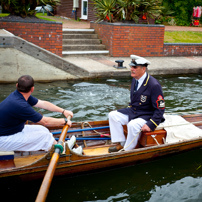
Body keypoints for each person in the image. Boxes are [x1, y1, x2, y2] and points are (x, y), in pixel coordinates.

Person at [0, 75, 73, 152]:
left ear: (17, 85)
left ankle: (57, 147)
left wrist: (63, 111)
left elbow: (43, 104)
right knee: (44, 136)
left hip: (11, 131)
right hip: (3, 139)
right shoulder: (20, 105)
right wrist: (64, 121)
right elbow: (45, 122)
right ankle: (62, 151)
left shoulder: (18, 95)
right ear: (32, 89)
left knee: (43, 130)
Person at [108, 55, 165, 153]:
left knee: (132, 125)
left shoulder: (154, 85)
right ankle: (121, 143)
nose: (131, 69)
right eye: (131, 67)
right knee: (113, 115)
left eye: (135, 67)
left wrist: (151, 124)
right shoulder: (135, 79)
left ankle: (128, 149)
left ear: (143, 69)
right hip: (135, 112)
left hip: (147, 115)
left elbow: (160, 108)